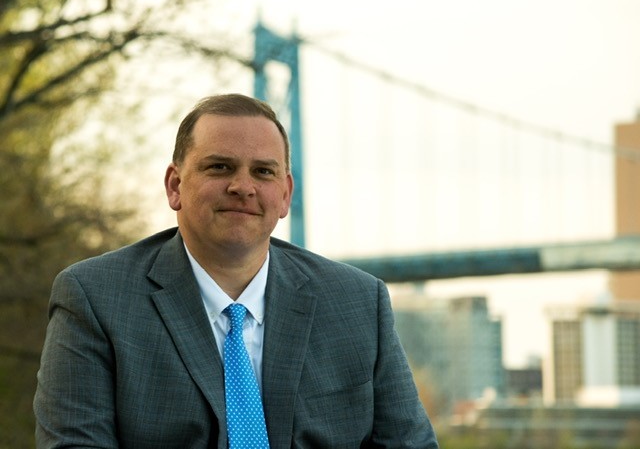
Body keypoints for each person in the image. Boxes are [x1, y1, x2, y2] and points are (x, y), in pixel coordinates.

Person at [33, 93, 439, 448]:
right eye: (220, 167)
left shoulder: (358, 303)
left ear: (285, 195)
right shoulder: (94, 298)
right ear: (175, 186)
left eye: (263, 171)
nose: (242, 186)